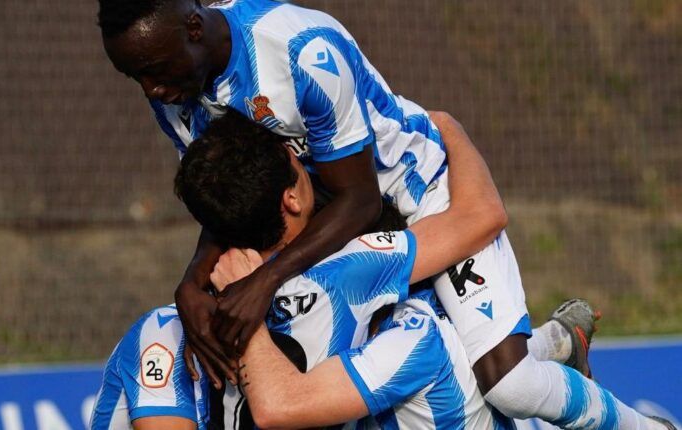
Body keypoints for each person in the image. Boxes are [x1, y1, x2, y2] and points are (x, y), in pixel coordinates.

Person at [96, 1, 674, 428]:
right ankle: (554, 343)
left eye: (155, 67)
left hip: (417, 201)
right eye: (135, 76)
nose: (151, 87)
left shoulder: (301, 52)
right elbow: (221, 195)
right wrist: (192, 280)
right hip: (331, 231)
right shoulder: (174, 88)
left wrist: (261, 280)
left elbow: (363, 198)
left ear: (192, 28)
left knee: (511, 383)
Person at [176, 111, 675, 430]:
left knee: (499, 376)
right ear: (290, 194)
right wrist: (451, 132)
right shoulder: (358, 266)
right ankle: (560, 345)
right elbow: (482, 216)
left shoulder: (189, 312)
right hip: (432, 388)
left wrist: (202, 281)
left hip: (444, 396)